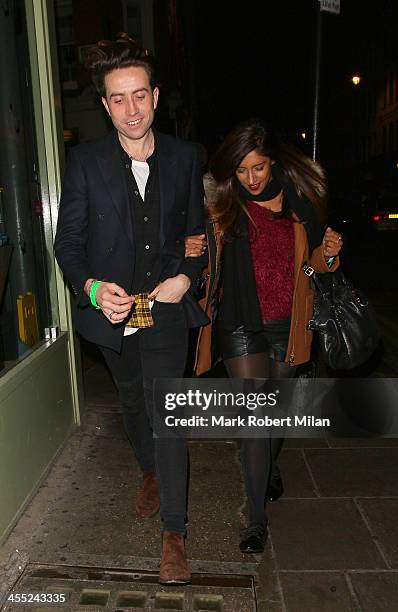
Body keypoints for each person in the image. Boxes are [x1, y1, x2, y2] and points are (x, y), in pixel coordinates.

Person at [54, 33, 208, 584]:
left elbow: (197, 233)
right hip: (111, 311)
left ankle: (174, 533)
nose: (131, 109)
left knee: (165, 409)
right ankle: (147, 468)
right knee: (132, 400)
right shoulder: (86, 162)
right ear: (104, 105)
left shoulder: (187, 157)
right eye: (118, 99)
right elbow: (67, 243)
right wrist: (93, 289)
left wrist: (186, 278)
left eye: (139, 95)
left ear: (156, 96)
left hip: (164, 307)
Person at [189, 118, 342, 554]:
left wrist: (326, 257)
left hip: (288, 323)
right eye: (241, 170)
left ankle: (268, 468)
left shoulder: (300, 204)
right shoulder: (222, 204)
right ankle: (255, 519)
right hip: (238, 323)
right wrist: (191, 253)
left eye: (257, 168)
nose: (250, 179)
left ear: (271, 162)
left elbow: (312, 269)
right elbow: (206, 261)